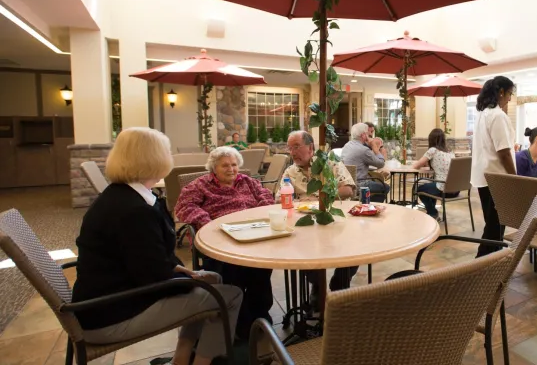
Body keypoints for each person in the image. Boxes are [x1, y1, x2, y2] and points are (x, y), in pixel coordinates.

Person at [73, 128, 242, 365]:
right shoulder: (134, 211)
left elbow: (146, 259)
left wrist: (184, 273)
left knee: (211, 280)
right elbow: (152, 277)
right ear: (154, 158)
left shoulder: (122, 196)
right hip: (111, 315)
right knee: (229, 295)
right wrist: (189, 280)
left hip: (105, 300)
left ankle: (181, 360)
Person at [175, 146, 275, 339]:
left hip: (252, 233)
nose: (231, 169)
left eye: (234, 165)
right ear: (214, 168)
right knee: (234, 271)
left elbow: (266, 195)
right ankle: (241, 321)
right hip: (221, 238)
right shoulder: (200, 185)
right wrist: (207, 222)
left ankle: (259, 314)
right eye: (225, 166)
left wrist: (260, 211)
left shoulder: (247, 181)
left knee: (262, 267)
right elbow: (183, 206)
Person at [283, 130, 359, 297]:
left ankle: (339, 285)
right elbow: (280, 198)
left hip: (335, 219)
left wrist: (318, 199)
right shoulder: (290, 172)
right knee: (302, 251)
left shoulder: (329, 163)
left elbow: (347, 189)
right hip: (305, 222)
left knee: (356, 248)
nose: (293, 152)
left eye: (297, 146)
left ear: (310, 147)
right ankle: (318, 287)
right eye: (290, 148)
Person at [471, 76, 517, 258]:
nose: (510, 99)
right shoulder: (497, 115)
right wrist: (515, 178)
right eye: (509, 94)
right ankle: (481, 265)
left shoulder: (483, 114)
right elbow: (504, 152)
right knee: (495, 226)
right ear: (501, 92)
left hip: (484, 177)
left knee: (493, 224)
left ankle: (490, 263)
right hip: (497, 178)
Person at [410, 128, 456, 221]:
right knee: (430, 185)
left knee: (418, 188)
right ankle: (432, 212)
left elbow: (416, 166)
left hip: (443, 188)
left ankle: (433, 213)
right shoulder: (451, 153)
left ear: (431, 140)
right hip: (455, 189)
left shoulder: (433, 150)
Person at [342, 122, 390, 203]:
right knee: (386, 187)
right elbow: (381, 163)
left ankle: (366, 203)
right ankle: (369, 205)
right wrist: (375, 147)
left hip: (347, 183)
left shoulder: (346, 146)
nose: (369, 136)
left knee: (376, 182)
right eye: (368, 134)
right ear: (363, 135)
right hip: (360, 184)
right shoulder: (363, 150)